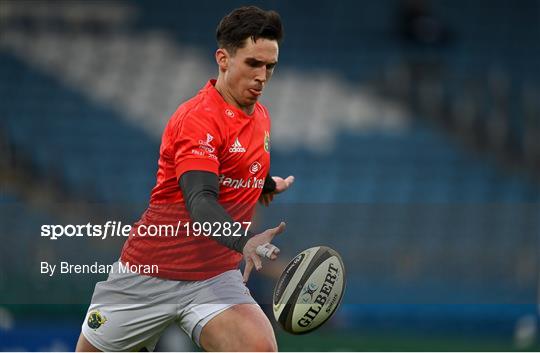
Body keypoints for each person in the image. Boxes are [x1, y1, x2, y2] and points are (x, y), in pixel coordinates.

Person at [76, 6, 294, 352]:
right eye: (253, 63)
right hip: (148, 274)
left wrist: (265, 185)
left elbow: (234, 165)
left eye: (270, 66)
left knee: (260, 348)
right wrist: (245, 242)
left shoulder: (260, 115)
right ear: (223, 58)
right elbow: (200, 201)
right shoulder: (197, 119)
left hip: (213, 277)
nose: (262, 76)